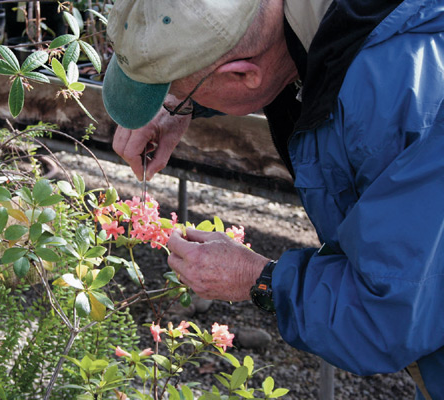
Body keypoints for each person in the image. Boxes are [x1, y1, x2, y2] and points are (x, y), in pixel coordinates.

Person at [101, 0, 444, 399]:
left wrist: (260, 280)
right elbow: (281, 62)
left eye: (175, 94)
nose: (175, 103)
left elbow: (388, 315)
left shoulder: (402, 102)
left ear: (243, 74)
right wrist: (180, 108)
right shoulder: (305, 24)